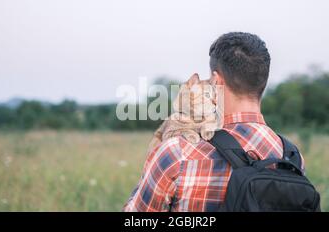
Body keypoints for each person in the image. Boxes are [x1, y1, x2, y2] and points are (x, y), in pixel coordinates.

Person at [123, 32, 304, 212]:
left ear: (216, 81)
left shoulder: (177, 153)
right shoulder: (291, 157)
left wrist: (151, 162)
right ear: (262, 82)